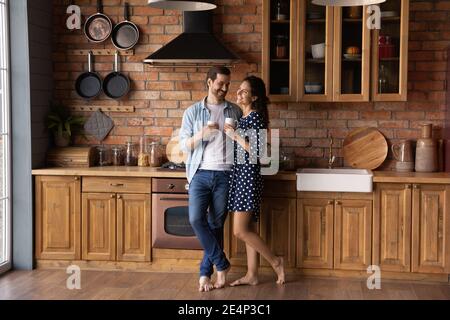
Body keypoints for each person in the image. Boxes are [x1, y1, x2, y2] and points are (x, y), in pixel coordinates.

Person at [179, 66, 242, 292]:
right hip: (200, 173)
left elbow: (245, 144)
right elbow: (183, 144)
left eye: (228, 84)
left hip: (226, 174)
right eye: (220, 84)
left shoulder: (235, 111)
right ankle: (221, 263)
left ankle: (205, 274)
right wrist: (201, 135)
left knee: (216, 225)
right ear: (209, 82)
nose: (225, 88)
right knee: (196, 219)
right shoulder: (193, 112)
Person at [224, 76, 285, 286]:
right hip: (241, 176)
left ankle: (276, 262)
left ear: (254, 96)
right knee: (248, 228)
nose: (239, 93)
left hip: (248, 177)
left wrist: (235, 137)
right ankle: (252, 274)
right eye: (239, 90)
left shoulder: (256, 117)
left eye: (244, 91)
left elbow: (260, 155)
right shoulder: (245, 117)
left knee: (239, 230)